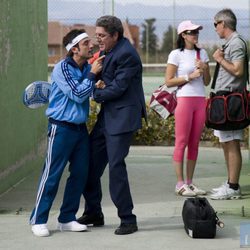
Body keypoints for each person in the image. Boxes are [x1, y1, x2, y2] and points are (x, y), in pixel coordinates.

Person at [29, 29, 104, 237]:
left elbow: (87, 90)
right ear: (74, 49)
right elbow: (78, 94)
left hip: (80, 131)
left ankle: (67, 218)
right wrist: (92, 75)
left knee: (79, 175)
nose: (92, 45)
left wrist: (94, 82)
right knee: (51, 175)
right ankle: (38, 219)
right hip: (60, 128)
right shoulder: (62, 68)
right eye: (87, 42)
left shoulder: (85, 68)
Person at [77, 15, 147, 235]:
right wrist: (101, 84)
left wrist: (96, 91)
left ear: (115, 35)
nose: (98, 40)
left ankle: (128, 219)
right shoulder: (110, 50)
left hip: (122, 119)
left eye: (102, 36)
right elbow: (110, 84)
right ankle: (94, 212)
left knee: (116, 168)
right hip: (107, 117)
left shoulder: (127, 55)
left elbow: (117, 89)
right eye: (96, 35)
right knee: (88, 164)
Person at [165, 20, 211, 197]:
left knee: (194, 143)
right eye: (191, 32)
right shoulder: (176, 54)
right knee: (181, 142)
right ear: (183, 35)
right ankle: (180, 183)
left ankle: (190, 183)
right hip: (184, 100)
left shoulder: (203, 53)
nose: (195, 35)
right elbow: (169, 81)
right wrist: (189, 76)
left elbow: (206, 81)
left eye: (197, 31)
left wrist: (204, 69)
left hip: (200, 100)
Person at [210, 9, 247, 200]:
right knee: (226, 143)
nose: (215, 28)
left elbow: (238, 71)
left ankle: (233, 186)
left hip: (232, 102)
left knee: (232, 144)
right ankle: (230, 182)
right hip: (224, 100)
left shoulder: (237, 43)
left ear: (223, 24)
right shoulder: (230, 43)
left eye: (215, 24)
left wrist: (220, 59)